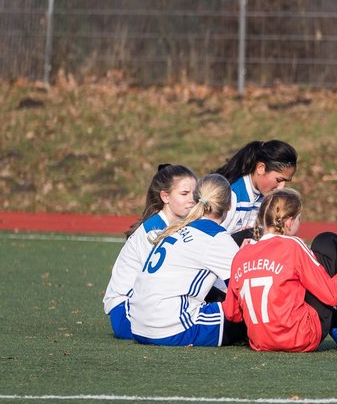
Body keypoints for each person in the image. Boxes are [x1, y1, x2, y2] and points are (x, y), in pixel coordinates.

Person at [224, 188, 337, 352]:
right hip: (301, 337)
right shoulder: (293, 245)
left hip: (259, 342)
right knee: (328, 241)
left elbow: (232, 313)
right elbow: (333, 295)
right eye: (299, 218)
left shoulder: (242, 254)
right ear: (289, 222)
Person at [126, 173, 247, 348]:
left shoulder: (177, 227)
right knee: (246, 315)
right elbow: (244, 291)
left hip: (138, 326)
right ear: (229, 204)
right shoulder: (216, 237)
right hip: (169, 329)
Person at [103, 163, 197, 340]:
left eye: (195, 193)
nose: (192, 199)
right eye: (184, 193)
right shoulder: (153, 232)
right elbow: (161, 281)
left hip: (147, 304)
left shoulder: (180, 225)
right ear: (165, 197)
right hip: (125, 311)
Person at [213, 139, 298, 241]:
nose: (281, 187)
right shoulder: (232, 195)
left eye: (286, 181)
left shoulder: (266, 197)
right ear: (261, 168)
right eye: (279, 180)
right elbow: (214, 239)